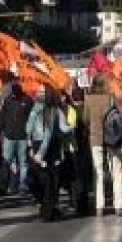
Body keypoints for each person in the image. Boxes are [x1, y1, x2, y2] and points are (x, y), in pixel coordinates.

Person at [83, 76, 122, 216]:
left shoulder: (88, 99)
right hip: (113, 139)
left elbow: (85, 119)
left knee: (98, 173)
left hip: (95, 139)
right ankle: (119, 205)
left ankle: (99, 206)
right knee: (116, 171)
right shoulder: (112, 98)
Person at [27, 89, 72, 222]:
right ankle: (48, 210)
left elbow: (28, 127)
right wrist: (72, 127)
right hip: (50, 147)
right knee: (51, 180)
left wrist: (30, 146)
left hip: (35, 144)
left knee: (40, 177)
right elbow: (51, 133)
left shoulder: (35, 109)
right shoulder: (55, 111)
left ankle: (45, 207)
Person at [0, 79, 34, 196]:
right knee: (6, 161)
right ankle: (4, 185)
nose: (14, 91)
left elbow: (32, 118)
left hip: (23, 136)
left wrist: (30, 135)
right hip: (9, 136)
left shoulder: (27, 100)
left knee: (23, 162)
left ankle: (22, 185)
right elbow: (2, 117)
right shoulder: (7, 101)